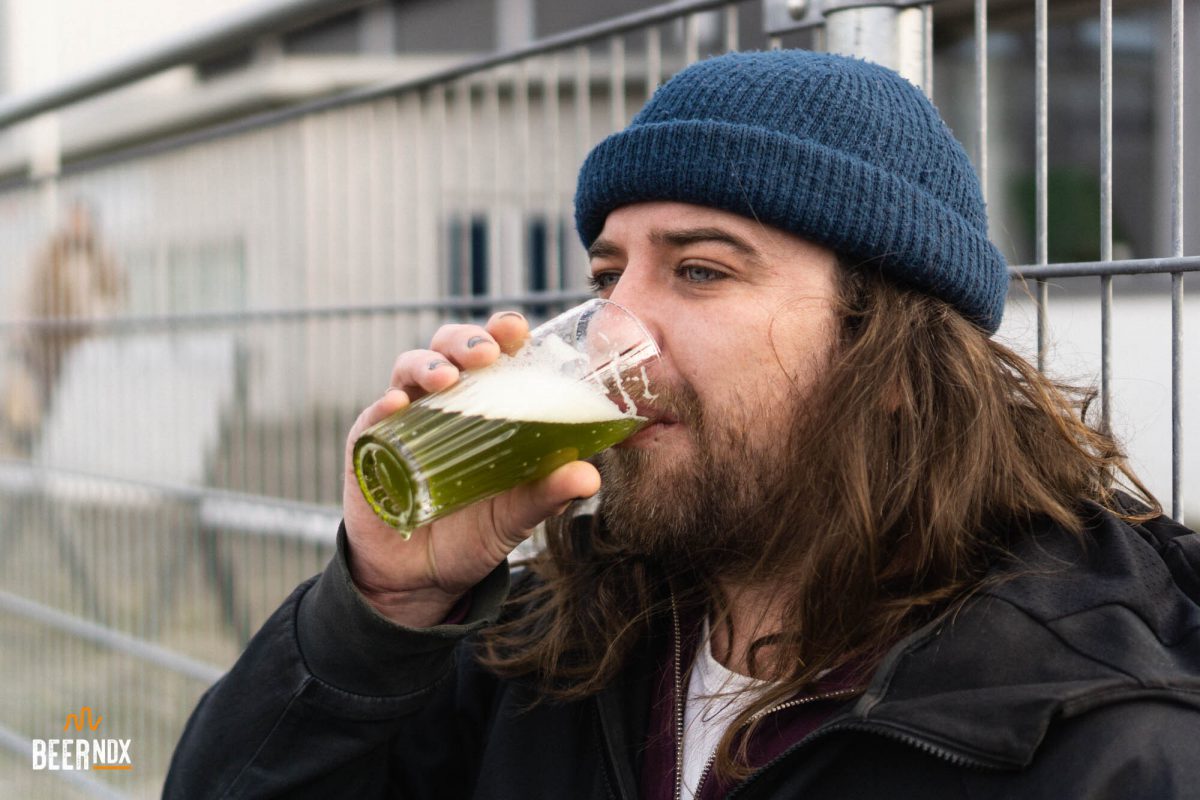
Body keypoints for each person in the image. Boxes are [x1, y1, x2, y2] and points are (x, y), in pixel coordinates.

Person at [164, 50, 1200, 799]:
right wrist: (383, 608)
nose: (615, 328)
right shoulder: (551, 649)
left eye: (700, 270)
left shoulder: (1091, 735)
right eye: (608, 275)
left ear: (889, 359)